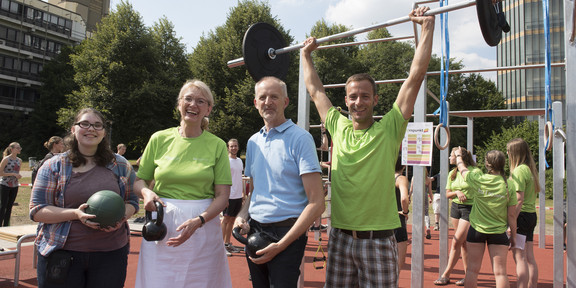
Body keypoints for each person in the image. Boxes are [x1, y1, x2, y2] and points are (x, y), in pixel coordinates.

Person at [301, 6, 434, 286]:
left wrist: (427, 27)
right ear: (346, 100)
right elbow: (315, 91)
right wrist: (305, 54)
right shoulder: (337, 125)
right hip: (339, 237)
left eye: (364, 96)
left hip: (379, 239)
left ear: (375, 99)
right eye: (352, 97)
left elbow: (415, 77)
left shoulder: (389, 128)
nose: (358, 102)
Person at [133, 79, 233, 288]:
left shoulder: (217, 145)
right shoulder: (159, 139)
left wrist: (199, 221)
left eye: (200, 101)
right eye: (188, 99)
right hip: (162, 227)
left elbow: (223, 197)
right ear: (179, 104)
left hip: (203, 228)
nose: (193, 105)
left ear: (208, 109)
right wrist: (146, 193)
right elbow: (139, 181)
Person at [29, 108, 139, 287]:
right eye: (85, 124)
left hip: (110, 254)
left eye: (97, 125)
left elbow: (132, 202)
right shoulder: (53, 166)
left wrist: (121, 217)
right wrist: (75, 214)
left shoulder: (119, 164)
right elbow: (37, 210)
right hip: (64, 252)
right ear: (73, 129)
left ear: (103, 132)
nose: (91, 129)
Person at [234, 76, 325, 288]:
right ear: (255, 103)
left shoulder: (301, 139)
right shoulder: (253, 142)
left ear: (285, 102)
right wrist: (240, 216)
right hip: (255, 230)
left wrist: (282, 244)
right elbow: (255, 192)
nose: (268, 102)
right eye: (262, 97)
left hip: (287, 232)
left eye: (274, 97)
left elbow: (317, 203)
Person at [454, 147, 517, 288]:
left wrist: (458, 156)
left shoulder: (479, 179)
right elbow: (511, 215)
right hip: (498, 232)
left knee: (472, 270)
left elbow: (463, 170)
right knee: (500, 273)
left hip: (477, 230)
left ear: (487, 164)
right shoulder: (509, 185)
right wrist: (513, 236)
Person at [434, 147, 477, 286]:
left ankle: (446, 274)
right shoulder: (452, 173)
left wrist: (459, 192)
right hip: (456, 208)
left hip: (469, 209)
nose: (449, 158)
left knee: (456, 241)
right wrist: (457, 192)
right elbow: (447, 194)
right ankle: (467, 276)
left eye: (451, 155)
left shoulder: (474, 171)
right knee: (463, 243)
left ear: (459, 157)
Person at [507, 138, 540, 288]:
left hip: (522, 216)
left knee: (519, 256)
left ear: (514, 153)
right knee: (529, 257)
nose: (507, 154)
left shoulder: (519, 171)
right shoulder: (529, 169)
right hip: (531, 214)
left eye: (508, 151)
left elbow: (519, 199)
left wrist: (511, 221)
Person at [222, 138, 244, 255]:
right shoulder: (225, 161)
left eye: (235, 146)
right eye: (231, 146)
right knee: (225, 220)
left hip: (237, 196)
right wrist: (223, 196)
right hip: (228, 196)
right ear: (228, 148)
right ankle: (221, 246)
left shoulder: (240, 161)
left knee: (231, 220)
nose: (234, 148)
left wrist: (242, 194)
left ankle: (227, 243)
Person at [394, 154, 410, 270]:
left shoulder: (381, 177)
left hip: (381, 220)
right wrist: (405, 211)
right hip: (397, 221)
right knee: (399, 261)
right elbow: (404, 198)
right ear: (403, 165)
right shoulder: (401, 178)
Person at [0, 142, 22, 227]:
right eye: (17, 148)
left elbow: (17, 172)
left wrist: (17, 176)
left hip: (14, 185)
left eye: (20, 148)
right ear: (12, 149)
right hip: (5, 185)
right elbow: (0, 173)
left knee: (9, 207)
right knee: (3, 206)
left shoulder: (19, 160)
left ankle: (6, 225)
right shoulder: (6, 159)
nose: (19, 149)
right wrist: (12, 174)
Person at [410, 167, 434, 239]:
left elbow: (411, 189)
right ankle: (428, 227)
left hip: (417, 196)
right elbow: (430, 190)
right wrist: (432, 198)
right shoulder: (428, 179)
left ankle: (417, 230)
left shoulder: (414, 177)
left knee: (416, 213)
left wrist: (409, 196)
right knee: (426, 213)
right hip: (425, 195)